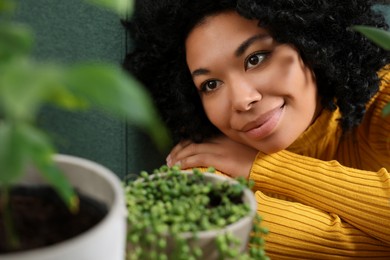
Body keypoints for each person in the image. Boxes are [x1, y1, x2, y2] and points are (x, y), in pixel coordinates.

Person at [123, 0, 390, 258]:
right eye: (211, 85)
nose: (241, 99)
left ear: (311, 45)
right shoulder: (208, 169)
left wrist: (265, 167)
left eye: (256, 59)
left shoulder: (386, 97)